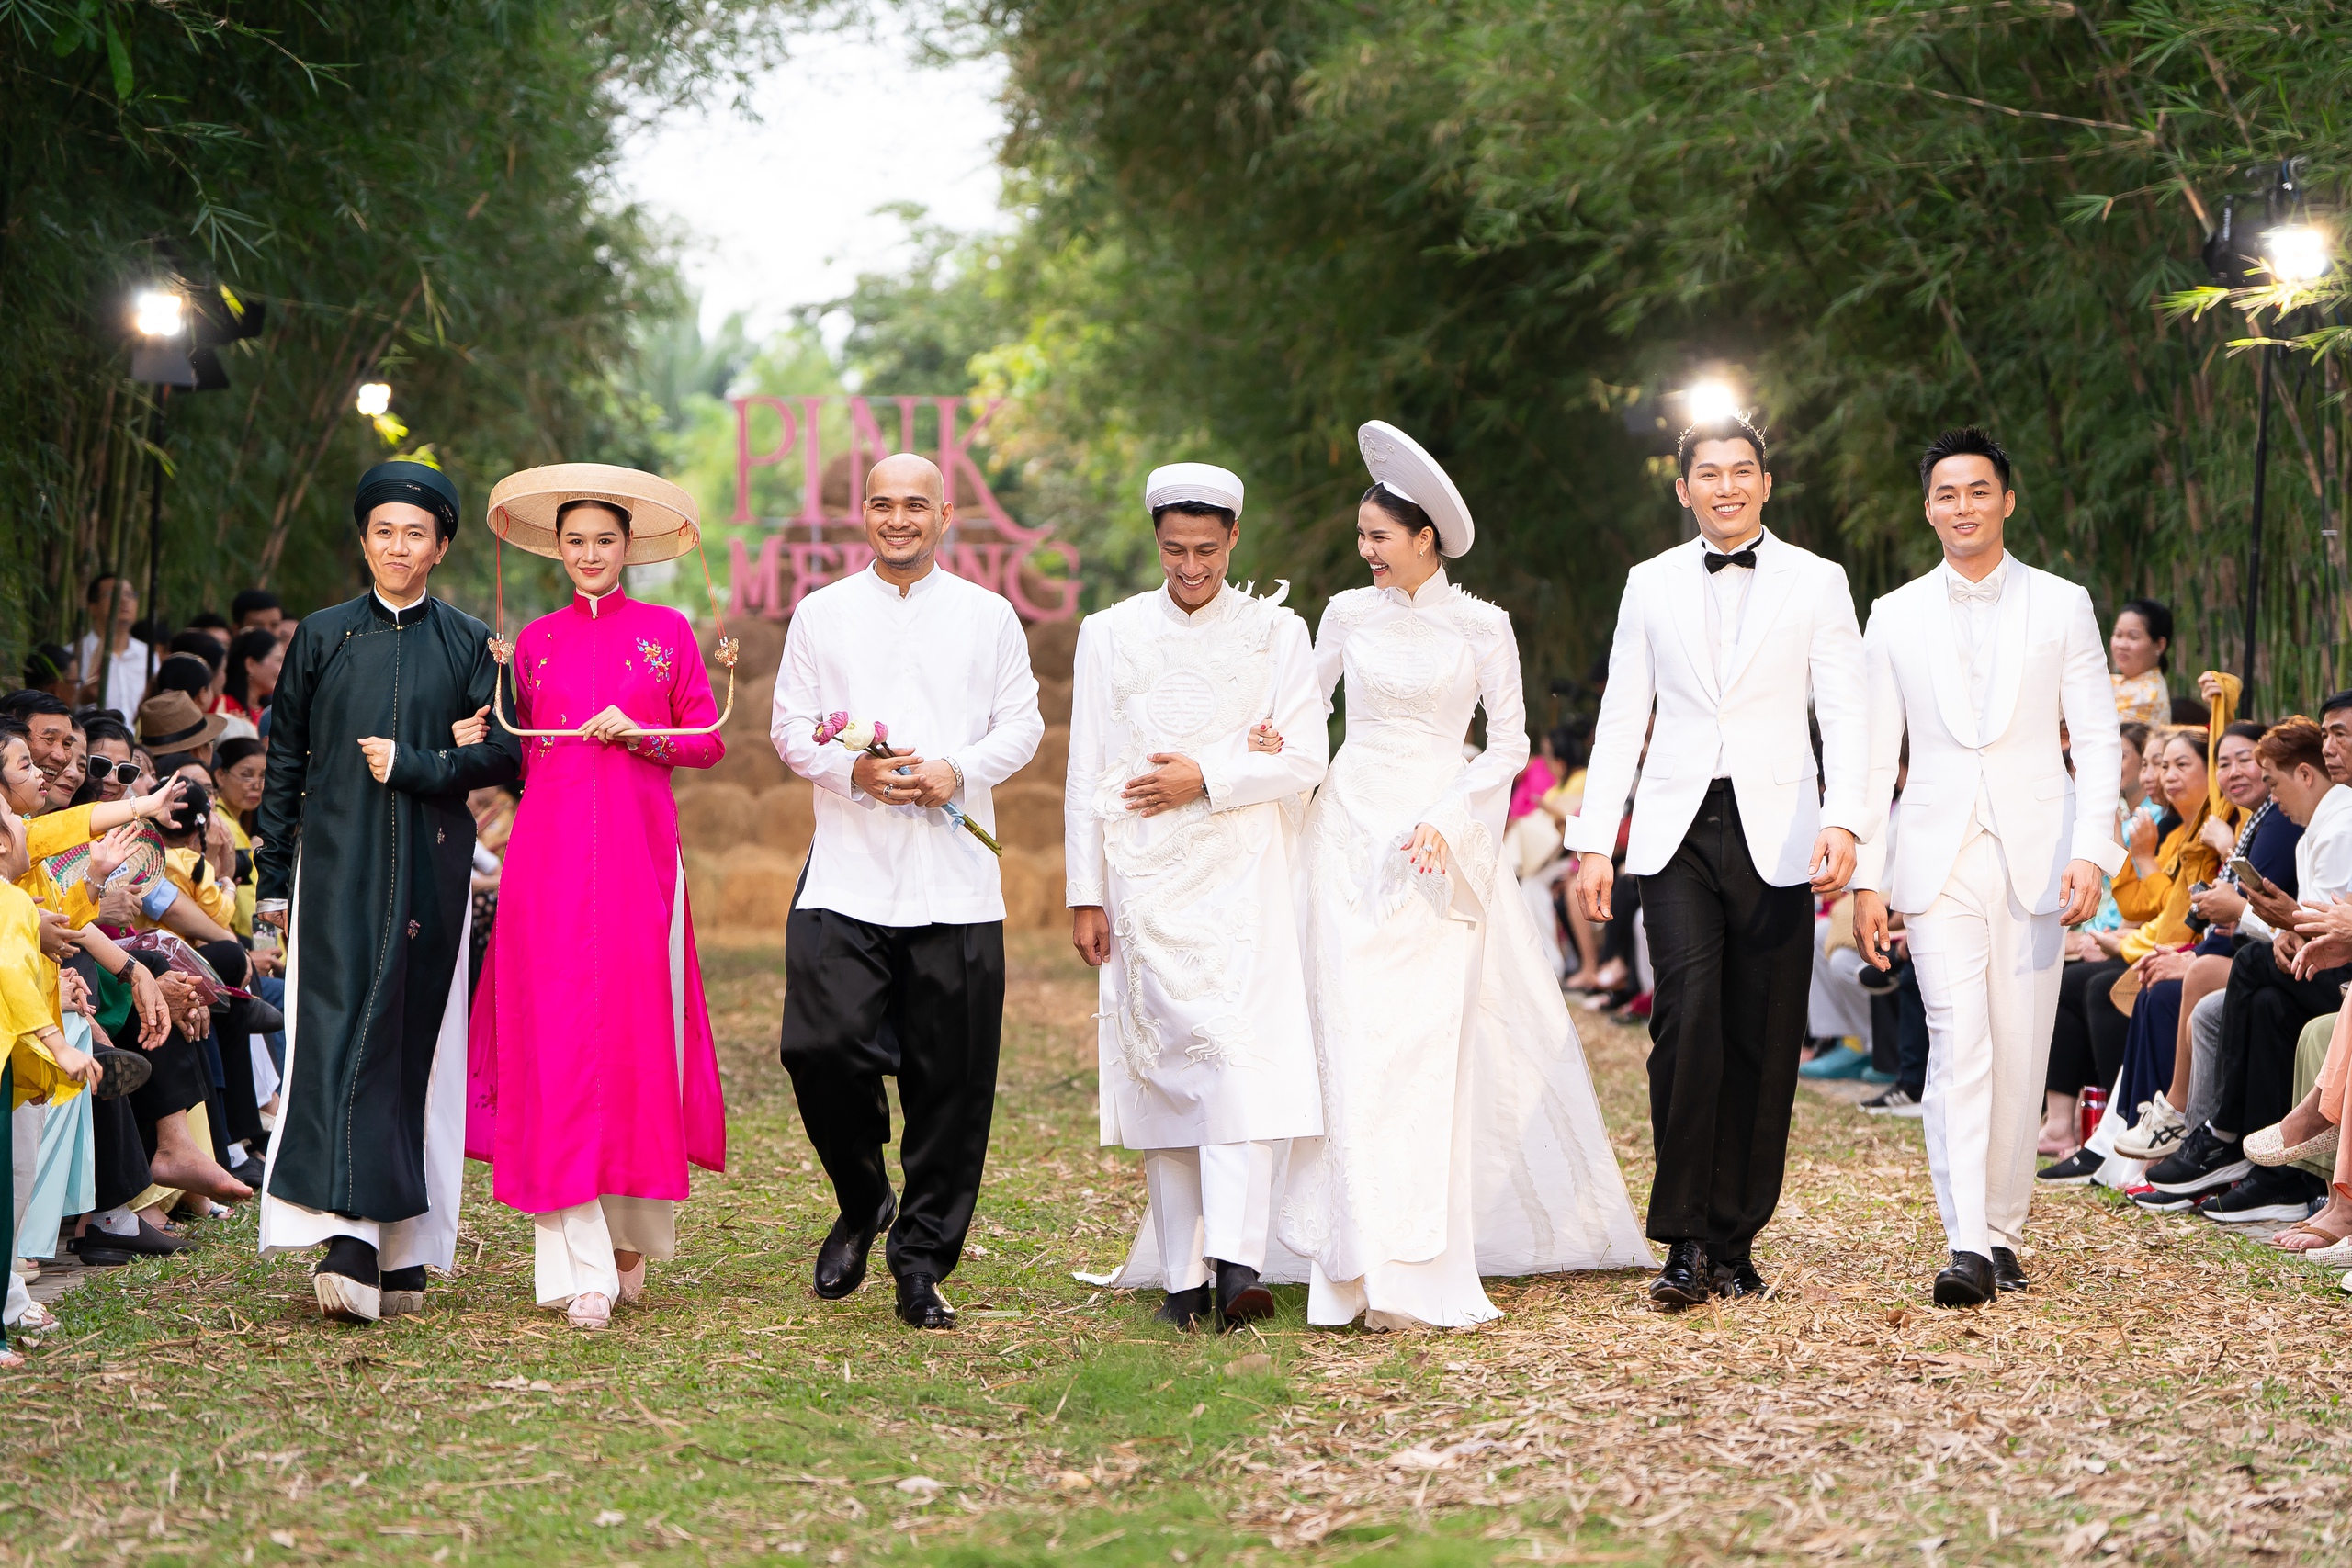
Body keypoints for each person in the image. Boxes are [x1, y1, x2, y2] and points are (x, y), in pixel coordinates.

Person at [1279, 422, 1651, 1331]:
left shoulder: (1483, 624)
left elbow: (1512, 745)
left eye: (1376, 537)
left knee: (1420, 1041)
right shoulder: (1340, 614)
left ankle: (1415, 1259)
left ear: (1424, 542)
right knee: (1348, 1033)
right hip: (1347, 830)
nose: (1362, 551)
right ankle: (1346, 1260)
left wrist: (1446, 819)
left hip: (1436, 843)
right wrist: (1266, 736)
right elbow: (1299, 709)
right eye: (1361, 536)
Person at [1567, 412, 1868, 1306]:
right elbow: (1622, 714)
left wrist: (1846, 820)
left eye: (1743, 472)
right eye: (1709, 473)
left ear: (1766, 485)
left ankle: (1734, 1239)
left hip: (1779, 830)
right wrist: (1594, 840)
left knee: (1764, 1037)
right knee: (1686, 1018)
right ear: (1682, 487)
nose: (1726, 486)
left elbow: (1847, 712)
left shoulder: (1818, 582)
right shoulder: (1648, 582)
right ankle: (1684, 1241)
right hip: (1674, 831)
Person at [1852, 427, 2124, 1307]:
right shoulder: (1891, 613)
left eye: (1977, 490)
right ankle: (1966, 1240)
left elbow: (2096, 738)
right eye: (1945, 493)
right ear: (1927, 507)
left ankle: (2005, 1229)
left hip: (2039, 854)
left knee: (2019, 1046)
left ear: (2006, 499)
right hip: (1934, 857)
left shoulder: (2064, 603)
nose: (1961, 506)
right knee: (1958, 1043)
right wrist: (1865, 873)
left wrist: (2092, 850)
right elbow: (1869, 751)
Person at [773, 452, 1043, 1331]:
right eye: (883, 504)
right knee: (819, 1046)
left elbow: (1024, 723)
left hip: (957, 885)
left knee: (952, 1085)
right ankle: (862, 1195)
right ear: (864, 513)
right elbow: (787, 727)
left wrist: (954, 769)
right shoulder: (821, 613)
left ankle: (921, 1262)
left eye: (915, 505)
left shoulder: (989, 614)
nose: (898, 519)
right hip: (848, 870)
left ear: (946, 514)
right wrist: (854, 770)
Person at [254, 459, 522, 1325]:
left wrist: (423, 764)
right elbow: (285, 763)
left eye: (416, 533)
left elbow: (506, 756)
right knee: (339, 1039)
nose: (397, 546)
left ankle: (403, 1244)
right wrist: (270, 885)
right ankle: (349, 1235)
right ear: (363, 539)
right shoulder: (324, 636)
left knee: (414, 1045)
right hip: (333, 868)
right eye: (383, 530)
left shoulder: (470, 642)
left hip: (433, 872)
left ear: (441, 546)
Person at [1063, 463, 1329, 1332]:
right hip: (1143, 885)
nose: (1190, 566)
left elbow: (1303, 757)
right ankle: (1180, 1276)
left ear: (1235, 541)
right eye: (1174, 549)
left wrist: (1209, 775)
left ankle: (1240, 1264)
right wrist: (1084, 891)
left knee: (1240, 1071)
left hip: (1245, 877)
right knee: (1169, 1077)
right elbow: (1084, 768)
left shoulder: (1279, 633)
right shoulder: (1109, 632)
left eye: (1206, 551)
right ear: (1155, 541)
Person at [463, 467, 729, 1332]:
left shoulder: (667, 633)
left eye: (604, 541)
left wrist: (642, 731)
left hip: (635, 858)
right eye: (574, 541)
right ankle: (577, 1264)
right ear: (558, 549)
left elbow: (706, 740)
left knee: (632, 1033)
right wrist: (475, 734)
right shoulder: (530, 642)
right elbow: (520, 752)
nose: (589, 554)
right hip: (544, 861)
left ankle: (628, 1239)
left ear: (628, 549)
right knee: (554, 1036)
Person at [2142, 716, 2352, 1220]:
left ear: (2304, 775)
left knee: (2249, 965)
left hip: (2339, 974)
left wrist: (2265, 919)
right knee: (2266, 1000)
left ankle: (2222, 1131)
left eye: (2272, 781)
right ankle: (2273, 1179)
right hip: (2323, 965)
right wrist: (2284, 928)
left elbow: (2330, 925)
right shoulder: (2311, 826)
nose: (2270, 796)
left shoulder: (2337, 820)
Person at [2033, 724, 2215, 1184]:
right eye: (2158, 764)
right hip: (2149, 942)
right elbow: (2140, 903)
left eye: (2176, 764)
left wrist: (2144, 862)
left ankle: (2128, 1128)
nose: (2163, 776)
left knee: (2098, 986)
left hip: (2178, 950)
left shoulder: (2198, 831)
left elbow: (2166, 915)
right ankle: (2072, 1125)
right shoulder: (2171, 827)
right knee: (2074, 981)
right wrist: (2126, 850)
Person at [75, 574, 151, 719]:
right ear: (93, 606)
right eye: (113, 594)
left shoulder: (147, 655)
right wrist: (79, 698)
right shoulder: (75, 654)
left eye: (130, 595)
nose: (124, 600)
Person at [2109, 599, 2173, 728]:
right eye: (2118, 635)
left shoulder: (2148, 695)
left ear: (2160, 645)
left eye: (2133, 637)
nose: (2122, 645)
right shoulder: (2110, 681)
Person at [220, 629, 283, 731]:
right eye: (278, 660)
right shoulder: (224, 708)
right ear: (251, 664)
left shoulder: (272, 712)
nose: (283, 669)